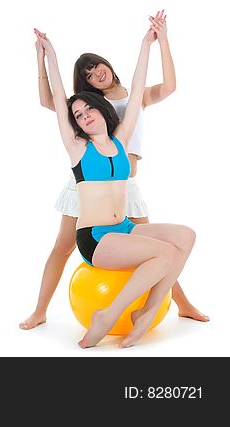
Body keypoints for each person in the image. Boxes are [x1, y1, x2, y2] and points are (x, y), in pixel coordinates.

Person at [36, 13, 196, 348]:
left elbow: (137, 87)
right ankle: (108, 315)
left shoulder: (120, 140)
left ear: (101, 110)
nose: (84, 116)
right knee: (164, 255)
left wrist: (148, 43)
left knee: (185, 236)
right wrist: (48, 53)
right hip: (95, 237)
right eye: (78, 115)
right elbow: (59, 95)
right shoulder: (78, 148)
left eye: (88, 110)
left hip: (124, 225)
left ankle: (147, 312)